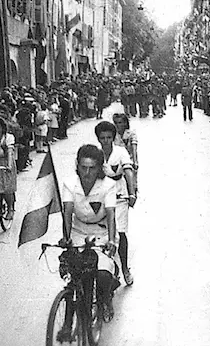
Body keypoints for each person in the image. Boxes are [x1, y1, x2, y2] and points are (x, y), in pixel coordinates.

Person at [60, 145, 120, 332]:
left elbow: (111, 213)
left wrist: (111, 240)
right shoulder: (70, 184)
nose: (87, 173)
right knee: (74, 275)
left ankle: (104, 299)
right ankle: (68, 323)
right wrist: (66, 237)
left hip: (101, 233)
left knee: (102, 274)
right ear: (77, 165)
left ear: (99, 168)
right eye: (83, 167)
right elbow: (67, 212)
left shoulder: (108, 185)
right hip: (78, 232)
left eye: (92, 168)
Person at [95, 121, 137, 286]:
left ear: (113, 138)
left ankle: (125, 268)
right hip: (101, 198)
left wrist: (132, 192)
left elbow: (128, 171)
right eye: (102, 138)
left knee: (120, 232)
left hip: (119, 197)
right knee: (104, 234)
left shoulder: (120, 152)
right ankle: (108, 269)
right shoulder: (95, 153)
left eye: (109, 137)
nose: (105, 141)